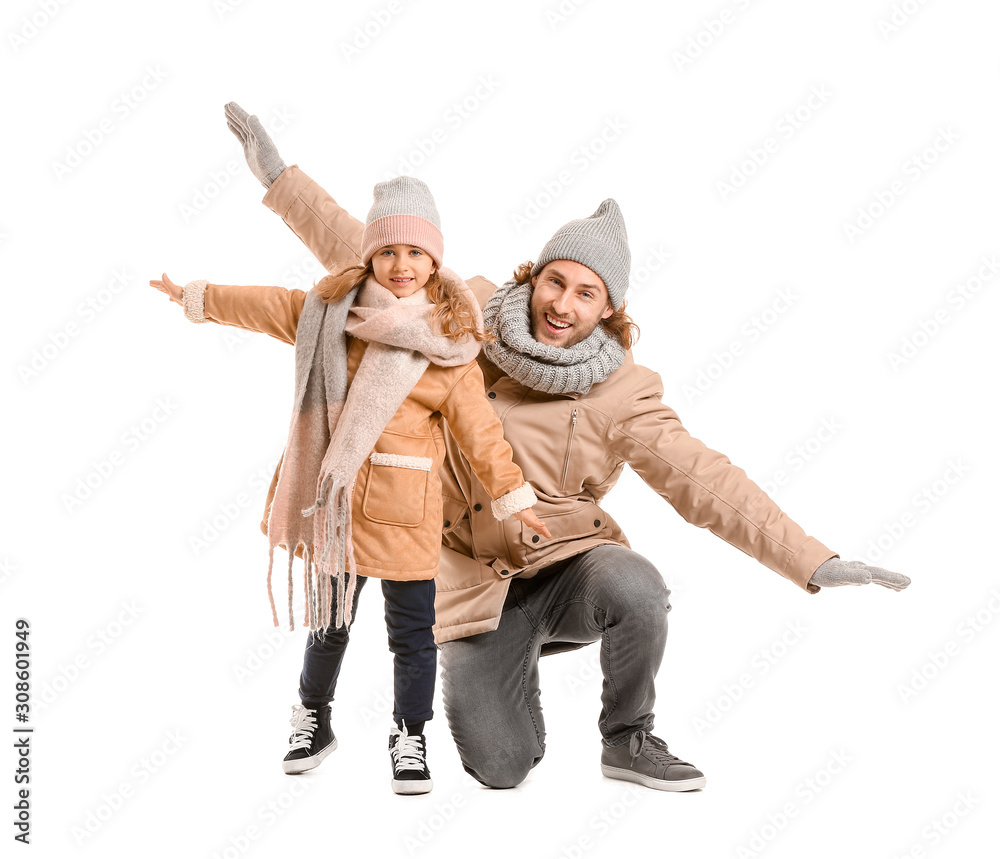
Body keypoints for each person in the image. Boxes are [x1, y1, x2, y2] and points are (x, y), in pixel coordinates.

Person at [222, 102, 911, 793]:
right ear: (531, 276)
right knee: (500, 765)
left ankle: (629, 737)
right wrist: (279, 179)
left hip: (567, 564)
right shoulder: (466, 316)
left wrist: (813, 561)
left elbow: (707, 481)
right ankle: (505, 659)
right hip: (471, 577)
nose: (564, 304)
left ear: (608, 308)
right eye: (556, 280)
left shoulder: (624, 391)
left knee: (637, 586)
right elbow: (367, 251)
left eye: (587, 293)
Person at [149, 175, 550, 795]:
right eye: (388, 251)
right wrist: (198, 297)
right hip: (335, 511)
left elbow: (482, 436)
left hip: (407, 515)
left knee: (412, 636)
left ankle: (409, 735)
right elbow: (270, 306)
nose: (401, 265)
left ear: (434, 261)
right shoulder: (332, 313)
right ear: (370, 255)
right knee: (329, 622)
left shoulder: (448, 345)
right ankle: (315, 719)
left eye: (416, 253)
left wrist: (515, 500)